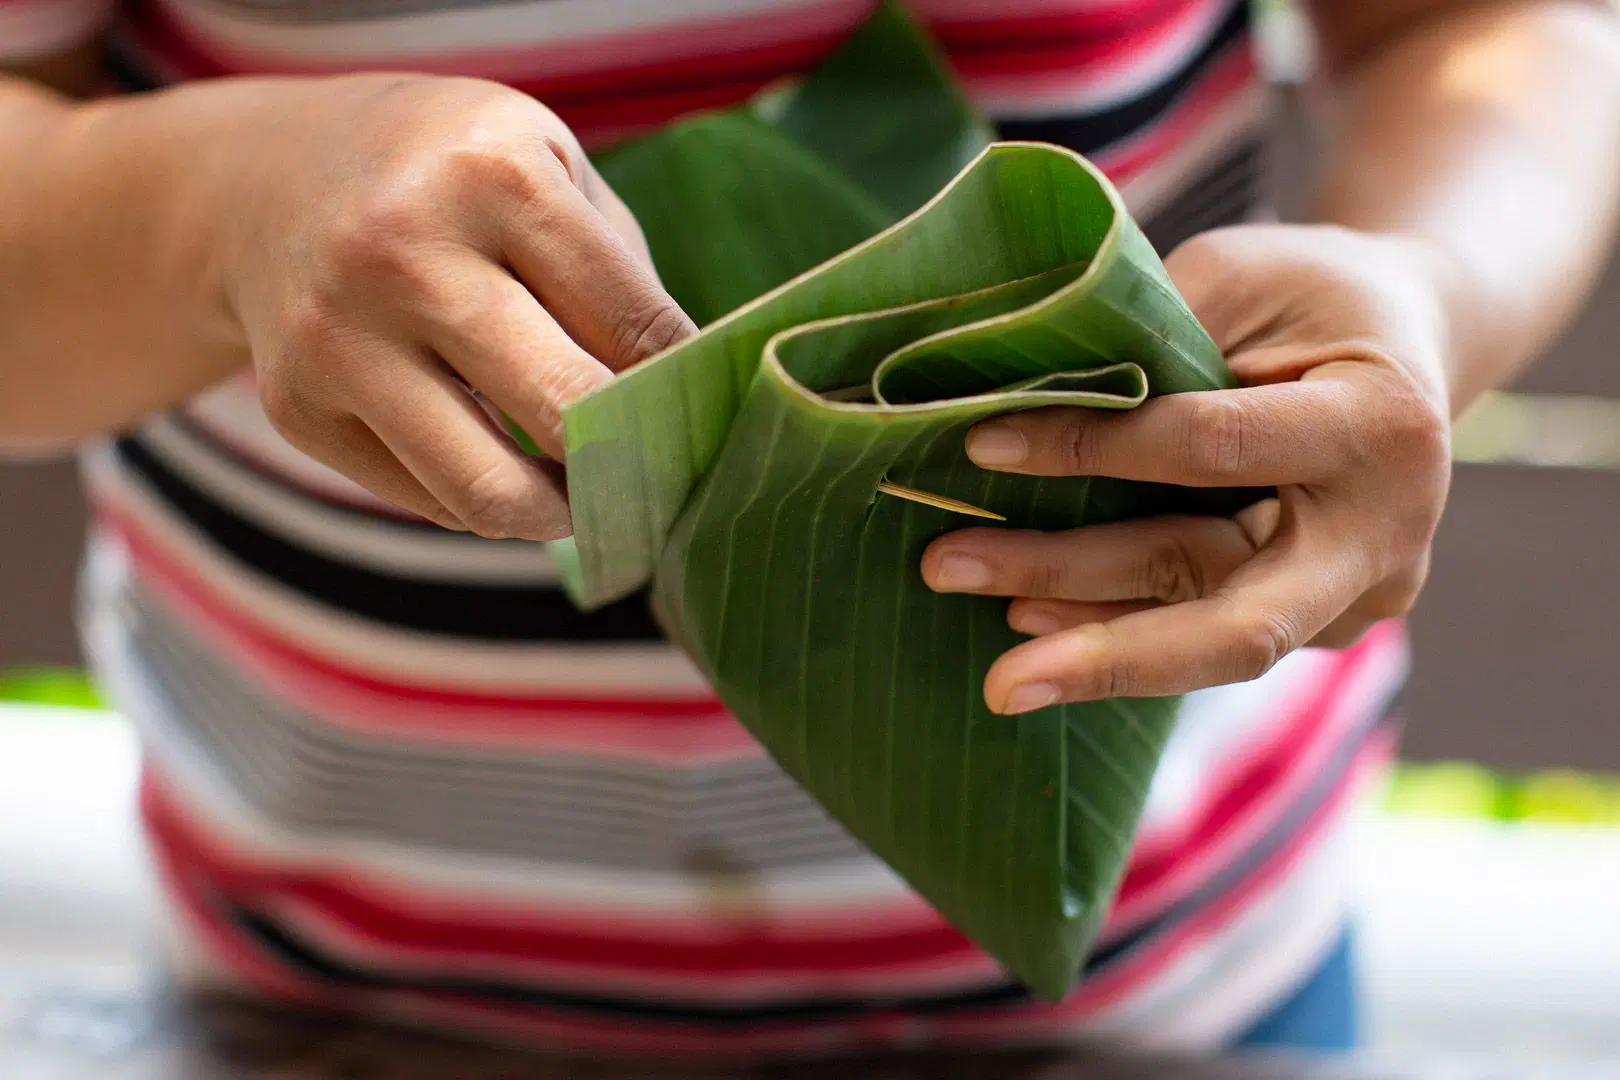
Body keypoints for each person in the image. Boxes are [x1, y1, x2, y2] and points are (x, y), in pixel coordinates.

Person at [1, 0, 1615, 1058]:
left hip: (1170, 987)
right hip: (335, 1004)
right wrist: (213, 205)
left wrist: (1431, 285)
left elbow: (1490, 30)